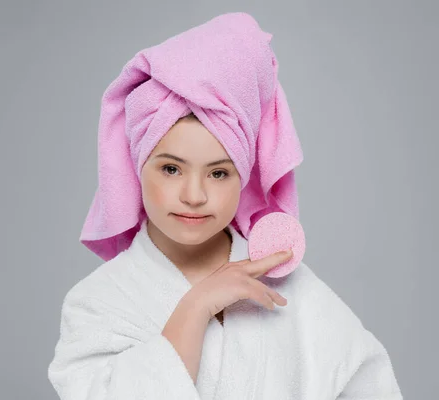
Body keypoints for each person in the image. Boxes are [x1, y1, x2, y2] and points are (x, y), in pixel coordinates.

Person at [48, 12, 403, 400]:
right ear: (137, 167)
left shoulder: (291, 290)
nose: (195, 195)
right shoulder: (97, 304)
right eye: (171, 169)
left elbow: (367, 382)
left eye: (218, 173)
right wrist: (196, 306)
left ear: (243, 178)